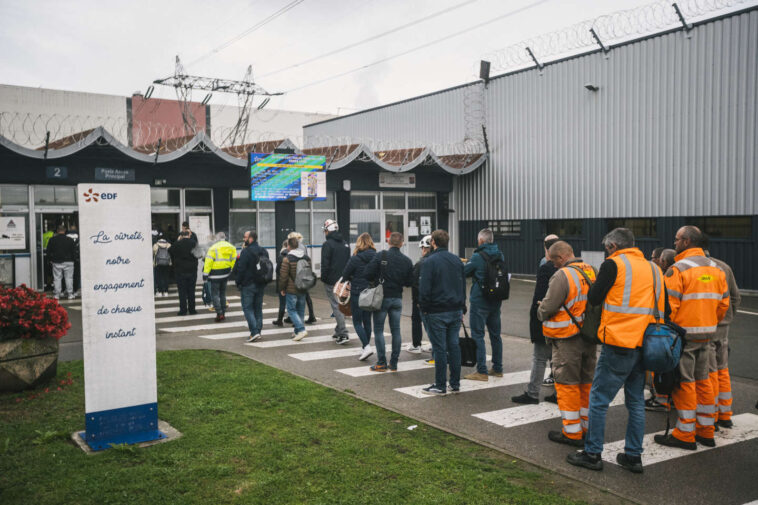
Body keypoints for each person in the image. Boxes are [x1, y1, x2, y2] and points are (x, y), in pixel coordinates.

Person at [567, 228, 666, 474]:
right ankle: (633, 456)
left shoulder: (613, 265)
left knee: (599, 400)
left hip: (619, 343)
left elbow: (594, 296)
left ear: (612, 246)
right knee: (635, 402)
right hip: (646, 344)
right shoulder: (654, 268)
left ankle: (592, 454)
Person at [655, 226, 729, 450]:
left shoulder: (678, 269)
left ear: (686, 241)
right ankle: (706, 430)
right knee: (703, 380)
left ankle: (685, 434)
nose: (674, 243)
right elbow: (723, 305)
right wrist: (708, 323)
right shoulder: (716, 268)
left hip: (683, 336)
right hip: (706, 334)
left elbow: (669, 308)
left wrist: (666, 333)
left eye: (677, 240)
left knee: (684, 383)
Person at [537, 241, 597, 447]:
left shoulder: (562, 275)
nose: (554, 265)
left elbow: (549, 305)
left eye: (554, 261)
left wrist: (540, 309)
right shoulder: (592, 270)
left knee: (567, 384)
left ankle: (572, 432)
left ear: (562, 257)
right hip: (589, 336)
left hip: (567, 338)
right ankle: (585, 426)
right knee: (586, 382)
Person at [513, 235, 560, 404]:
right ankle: (558, 393)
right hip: (562, 324)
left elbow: (539, 297)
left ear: (546, 250)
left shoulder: (546, 269)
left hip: (545, 321)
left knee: (540, 358)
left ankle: (532, 393)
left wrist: (535, 318)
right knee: (556, 360)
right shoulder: (567, 268)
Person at [418, 229, 466, 396]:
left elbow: (424, 288)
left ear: (433, 242)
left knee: (439, 348)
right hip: (455, 309)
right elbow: (462, 284)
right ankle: (455, 383)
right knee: (454, 346)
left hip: (436, 310)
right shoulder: (457, 261)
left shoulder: (430, 262)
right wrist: (462, 305)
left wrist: (423, 307)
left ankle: (440, 385)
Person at [364, 231, 413, 372]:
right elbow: (409, 282)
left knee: (379, 330)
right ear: (402, 243)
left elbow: (367, 273)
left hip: (382, 298)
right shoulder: (407, 260)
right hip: (397, 298)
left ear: (388, 242)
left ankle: (381, 362)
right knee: (396, 331)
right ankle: (394, 363)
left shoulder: (381, 256)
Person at [704, 244, 740, 429]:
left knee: (709, 373)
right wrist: (727, 318)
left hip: (707, 327)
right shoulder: (724, 267)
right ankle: (725, 414)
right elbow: (735, 297)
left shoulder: (698, 268)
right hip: (723, 328)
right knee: (722, 370)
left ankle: (713, 416)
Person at [463, 228, 505, 381]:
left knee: (478, 335)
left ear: (480, 240)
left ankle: (481, 371)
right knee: (495, 335)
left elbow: (464, 272)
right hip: (496, 300)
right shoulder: (500, 254)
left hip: (480, 301)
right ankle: (498, 368)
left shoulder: (477, 256)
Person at [342, 233, 377, 361]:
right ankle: (364, 346)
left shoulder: (355, 258)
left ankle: (366, 347)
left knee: (357, 322)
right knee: (367, 321)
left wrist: (352, 277)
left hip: (358, 292)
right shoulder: (376, 256)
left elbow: (345, 274)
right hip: (371, 292)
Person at [234, 230, 269, 342]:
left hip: (248, 284)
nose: (243, 239)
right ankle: (258, 330)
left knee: (248, 308)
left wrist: (238, 282)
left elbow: (241, 269)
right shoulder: (263, 250)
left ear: (251, 239)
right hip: (261, 283)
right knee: (258, 308)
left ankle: (254, 332)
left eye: (245, 237)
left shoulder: (246, 252)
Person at [320, 219, 351, 344]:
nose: (325, 233)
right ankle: (339, 330)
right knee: (341, 305)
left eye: (325, 230)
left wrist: (324, 278)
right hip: (344, 280)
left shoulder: (328, 245)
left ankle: (343, 333)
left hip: (332, 281)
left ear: (328, 231)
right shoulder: (345, 244)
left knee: (336, 306)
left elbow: (325, 264)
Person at [278, 236, 309, 341]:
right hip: (303, 287)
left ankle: (301, 329)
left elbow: (284, 276)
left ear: (289, 246)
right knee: (300, 310)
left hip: (291, 289)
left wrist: (282, 288)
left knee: (291, 310)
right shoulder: (306, 257)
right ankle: (297, 332)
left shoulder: (287, 259)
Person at [203, 231, 237, 322]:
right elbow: (234, 260)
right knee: (222, 293)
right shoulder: (231, 247)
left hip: (214, 275)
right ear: (225, 237)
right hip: (225, 274)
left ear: (217, 238)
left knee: (215, 294)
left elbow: (208, 262)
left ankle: (219, 313)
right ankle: (223, 312)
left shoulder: (213, 248)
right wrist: (230, 269)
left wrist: (205, 275)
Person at [407, 235, 432, 354]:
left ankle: (416, 344)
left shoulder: (420, 263)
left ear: (424, 248)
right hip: (437, 299)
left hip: (420, 299)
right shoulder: (439, 260)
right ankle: (433, 344)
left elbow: (415, 283)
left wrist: (417, 301)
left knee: (416, 320)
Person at [288, 231, 317, 325]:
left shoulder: (297, 247)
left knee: (300, 298)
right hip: (304, 273)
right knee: (305, 296)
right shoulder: (303, 246)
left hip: (298, 273)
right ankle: (311, 315)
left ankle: (297, 319)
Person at [169, 230, 198, 316]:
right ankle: (192, 310)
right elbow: (199, 254)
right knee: (191, 291)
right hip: (192, 270)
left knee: (182, 292)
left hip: (180, 271)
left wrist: (178, 241)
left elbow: (170, 250)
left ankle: (183, 310)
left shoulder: (177, 244)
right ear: (189, 235)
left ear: (181, 236)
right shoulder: (194, 243)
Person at [46, 225, 76, 300]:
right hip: (69, 261)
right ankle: (70, 294)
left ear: (57, 231)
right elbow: (74, 252)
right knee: (69, 278)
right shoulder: (70, 240)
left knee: (57, 278)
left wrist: (50, 260)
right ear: (65, 230)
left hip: (56, 261)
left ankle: (57, 295)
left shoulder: (52, 240)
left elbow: (48, 251)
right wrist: (74, 260)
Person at [272, 240, 288, 327]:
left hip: (282, 282)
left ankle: (279, 320)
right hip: (291, 283)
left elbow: (278, 270)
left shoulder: (281, 256)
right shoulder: (292, 255)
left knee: (282, 303)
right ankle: (292, 319)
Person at [66, 223, 81, 296]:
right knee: (76, 276)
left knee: (67, 276)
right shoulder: (79, 236)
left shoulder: (66, 236)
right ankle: (75, 290)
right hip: (77, 259)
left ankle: (67, 290)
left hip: (67, 259)